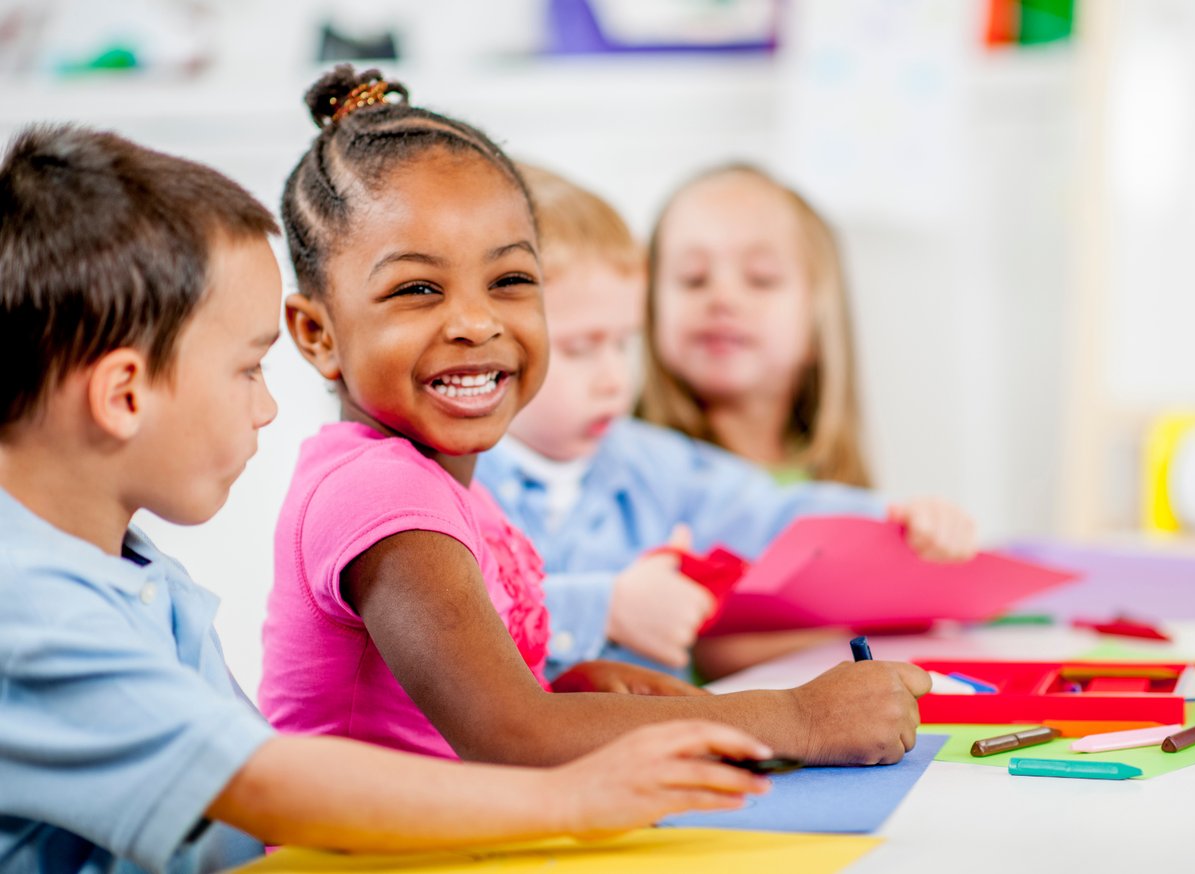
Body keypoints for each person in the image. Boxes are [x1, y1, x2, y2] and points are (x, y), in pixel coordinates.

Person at [0, 124, 774, 874]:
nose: (266, 409)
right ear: (124, 395)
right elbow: (261, 784)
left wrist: (558, 702)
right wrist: (570, 796)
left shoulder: (125, 570)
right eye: (248, 370)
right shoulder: (31, 613)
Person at [261, 65, 930, 771]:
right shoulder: (383, 495)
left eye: (510, 280)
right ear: (318, 334)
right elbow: (512, 735)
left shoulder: (449, 487)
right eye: (418, 288)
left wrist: (574, 689)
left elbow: (474, 717)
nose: (476, 323)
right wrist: (800, 718)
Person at [476, 164, 976, 681]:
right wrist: (605, 609)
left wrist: (897, 520)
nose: (615, 379)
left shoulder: (652, 461)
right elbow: (453, 619)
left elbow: (770, 513)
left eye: (624, 344)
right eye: (581, 348)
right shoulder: (457, 480)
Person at [640, 164, 871, 486]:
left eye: (761, 278)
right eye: (694, 278)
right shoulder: (627, 475)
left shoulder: (835, 492)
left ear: (818, 321)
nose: (722, 298)